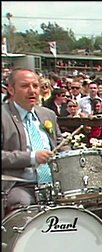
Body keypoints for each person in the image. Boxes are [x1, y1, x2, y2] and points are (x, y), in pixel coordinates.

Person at [2, 68, 68, 214]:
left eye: (35, 86)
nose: (32, 91)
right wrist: (32, 157)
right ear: (11, 90)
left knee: (89, 199)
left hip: (54, 184)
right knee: (21, 203)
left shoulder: (47, 114)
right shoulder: (3, 116)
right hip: (18, 184)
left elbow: (61, 146)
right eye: (25, 86)